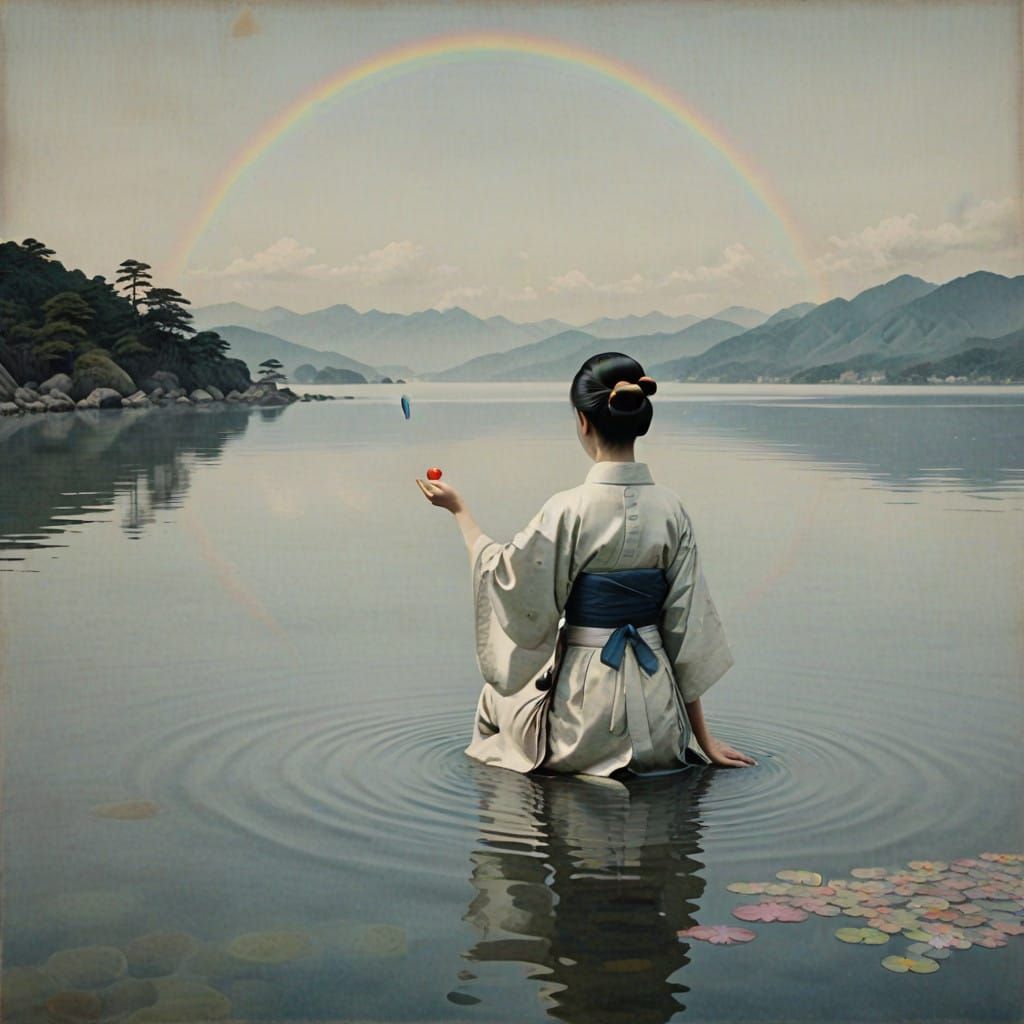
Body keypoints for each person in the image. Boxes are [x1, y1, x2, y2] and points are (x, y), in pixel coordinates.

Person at [416, 352, 755, 776]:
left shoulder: (567, 510)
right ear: (639, 420)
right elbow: (683, 635)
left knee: (494, 697)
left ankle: (524, 814)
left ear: (583, 421)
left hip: (583, 721)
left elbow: (503, 579)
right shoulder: (673, 510)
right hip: (661, 721)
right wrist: (702, 740)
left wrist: (459, 511)